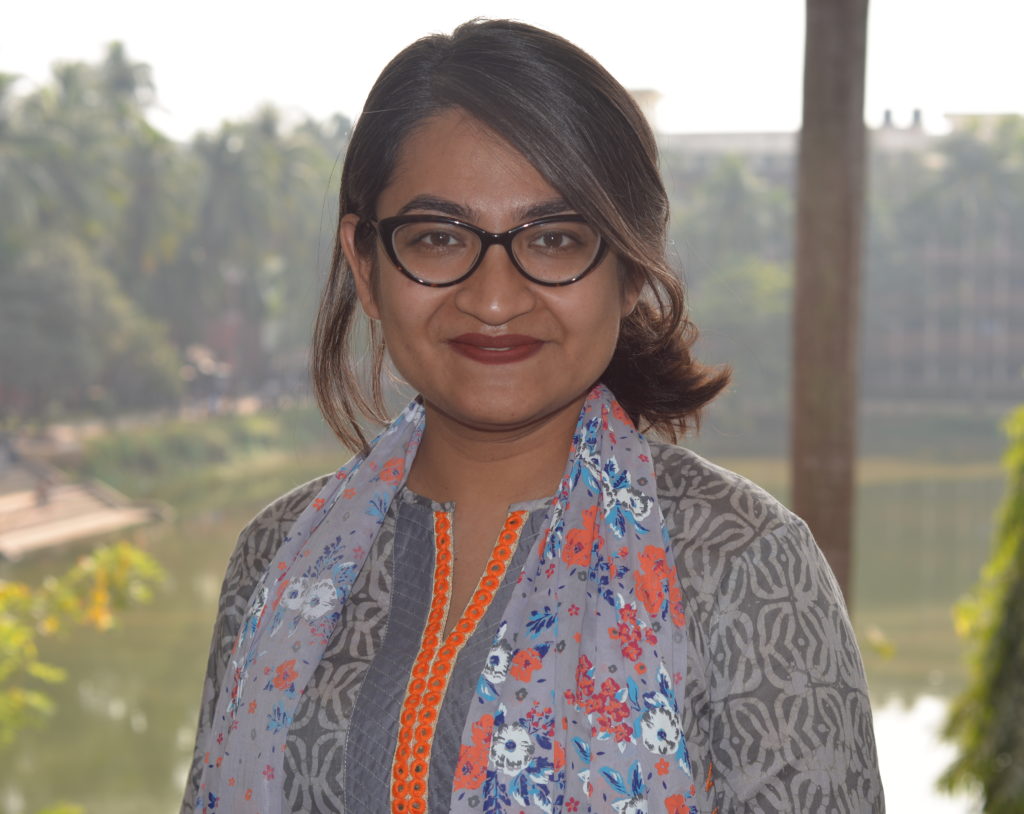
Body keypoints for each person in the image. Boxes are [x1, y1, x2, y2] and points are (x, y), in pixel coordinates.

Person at [182, 19, 884, 814]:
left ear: (629, 269)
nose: (493, 297)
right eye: (439, 237)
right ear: (366, 265)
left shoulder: (746, 565)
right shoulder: (274, 559)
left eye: (553, 240)